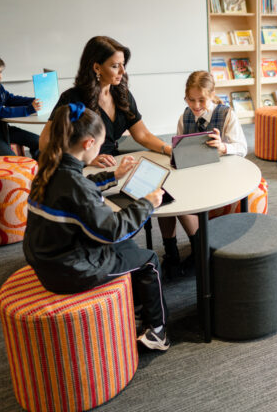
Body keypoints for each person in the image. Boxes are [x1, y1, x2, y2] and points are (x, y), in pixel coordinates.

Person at [24, 103, 170, 351]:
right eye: (101, 143)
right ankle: (158, 331)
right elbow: (112, 230)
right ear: (88, 144)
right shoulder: (74, 185)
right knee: (149, 261)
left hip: (47, 257)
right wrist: (148, 203)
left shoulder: (51, 167)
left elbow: (80, 190)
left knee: (127, 246)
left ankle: (133, 307)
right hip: (69, 271)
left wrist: (114, 176)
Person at [157, 71, 248, 278]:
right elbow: (180, 149)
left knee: (182, 204)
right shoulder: (185, 117)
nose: (196, 106)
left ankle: (198, 249)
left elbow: (242, 148)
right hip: (194, 174)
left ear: (212, 95)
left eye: (202, 100)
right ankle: (171, 254)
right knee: (165, 194)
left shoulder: (226, 115)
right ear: (185, 98)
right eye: (191, 100)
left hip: (221, 176)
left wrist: (224, 147)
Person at [40, 35, 172, 168]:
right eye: (115, 66)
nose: (123, 71)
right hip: (82, 168)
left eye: (123, 64)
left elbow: (142, 135)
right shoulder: (72, 98)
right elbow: (45, 143)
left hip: (113, 163)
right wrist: (86, 159)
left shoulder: (122, 95)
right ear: (97, 68)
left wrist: (169, 150)